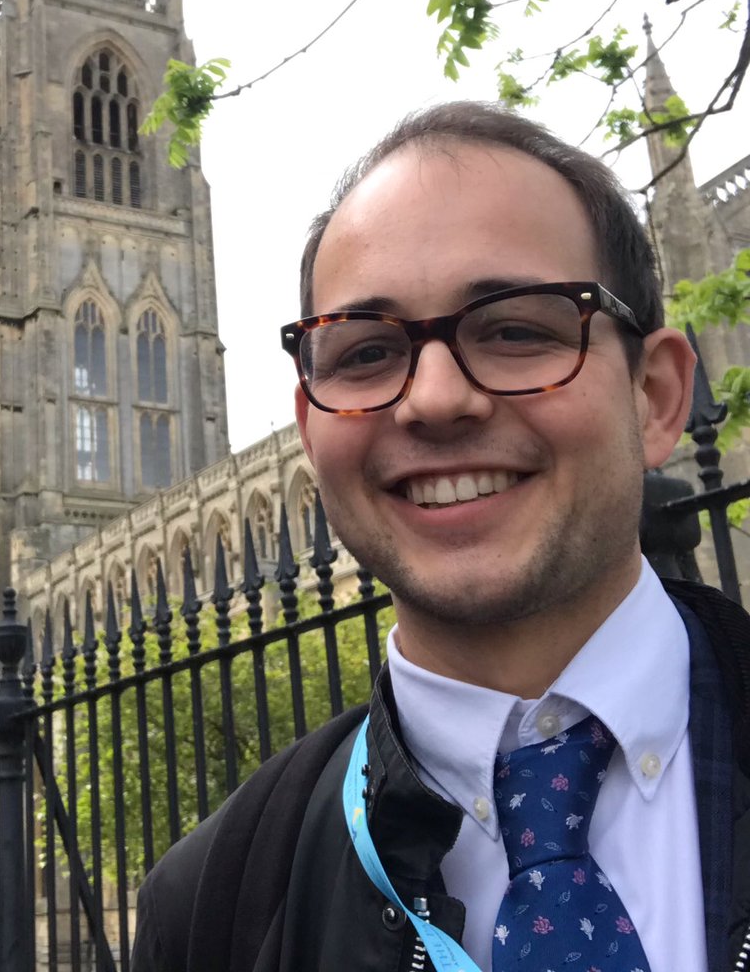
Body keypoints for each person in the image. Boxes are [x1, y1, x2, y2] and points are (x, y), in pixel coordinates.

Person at [132, 102, 750, 972]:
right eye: (367, 353)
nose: (433, 398)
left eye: (513, 329)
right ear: (312, 435)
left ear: (654, 397)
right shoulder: (211, 905)